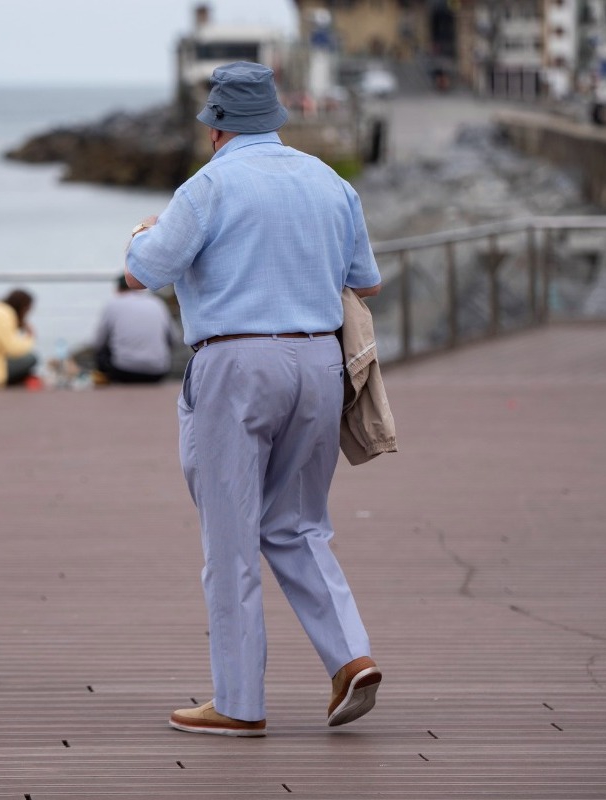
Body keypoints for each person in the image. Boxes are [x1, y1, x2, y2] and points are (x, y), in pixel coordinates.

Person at [125, 61, 384, 737]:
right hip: (318, 360)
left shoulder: (207, 186)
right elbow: (365, 280)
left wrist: (142, 234)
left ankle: (238, 702)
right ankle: (350, 656)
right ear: (275, 119)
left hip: (237, 361)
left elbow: (145, 270)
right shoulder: (329, 182)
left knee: (232, 535)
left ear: (215, 128)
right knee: (299, 523)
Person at [92, 274, 175, 384]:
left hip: (123, 371)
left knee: (104, 347)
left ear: (118, 289)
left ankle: (105, 382)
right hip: (157, 372)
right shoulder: (157, 303)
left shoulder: (113, 304)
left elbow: (98, 342)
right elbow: (174, 338)